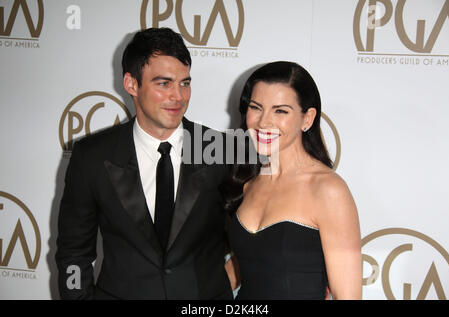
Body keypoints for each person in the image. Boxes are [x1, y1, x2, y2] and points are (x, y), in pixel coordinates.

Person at [55, 27, 233, 299]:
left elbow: (251, 239)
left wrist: (223, 284)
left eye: (184, 83)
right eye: (164, 83)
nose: (179, 96)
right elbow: (73, 254)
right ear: (131, 84)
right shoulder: (91, 156)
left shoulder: (221, 150)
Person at [223, 61, 362, 300]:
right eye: (256, 107)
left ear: (307, 119)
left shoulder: (328, 190)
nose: (263, 122)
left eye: (280, 111)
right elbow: (244, 266)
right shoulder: (249, 182)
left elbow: (347, 296)